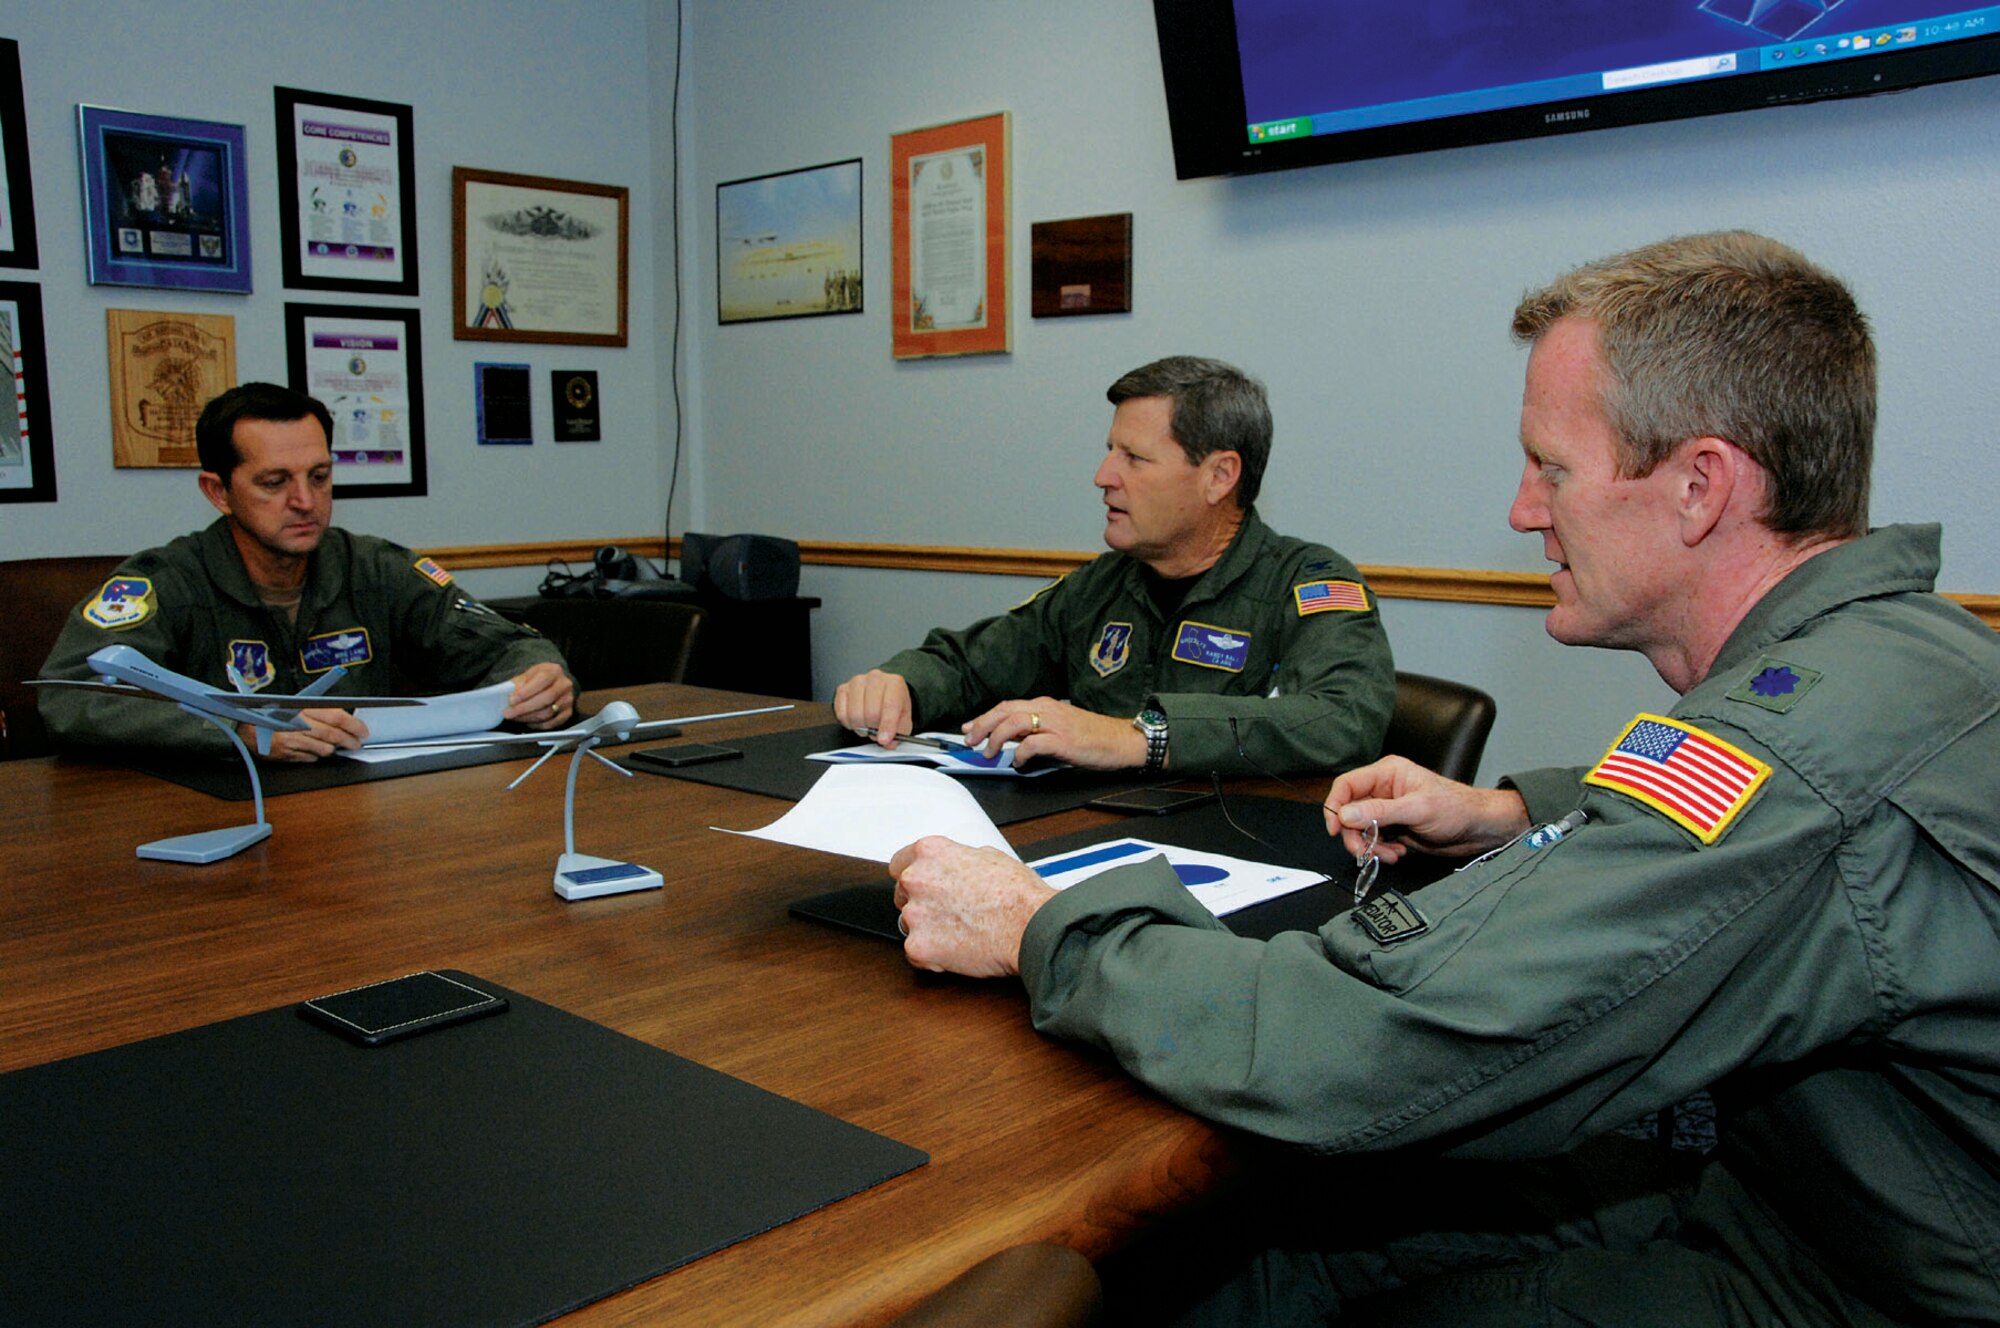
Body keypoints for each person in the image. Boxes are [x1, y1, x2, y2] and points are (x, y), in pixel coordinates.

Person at [885, 234, 2000, 1323]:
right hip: (1808, 1193)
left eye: (1551, 467)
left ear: (1699, 486)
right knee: (1264, 1249)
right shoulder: (1887, 659)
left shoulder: (1801, 751)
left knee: (1273, 1241)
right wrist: (1521, 810)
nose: (1523, 509)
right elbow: (1772, 832)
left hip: (1852, 1273)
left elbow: (1372, 1048)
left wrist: (1043, 926)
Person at [834, 356, 1394, 777]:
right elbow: (976, 664)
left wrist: (1138, 737)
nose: (1103, 475)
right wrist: (899, 685)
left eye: (1134, 458)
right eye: (1109, 451)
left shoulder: (1309, 582)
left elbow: (1345, 718)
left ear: (1219, 476)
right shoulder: (1103, 584)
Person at [40, 382, 574, 762]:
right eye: (274, 482)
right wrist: (237, 730)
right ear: (218, 491)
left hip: (361, 813)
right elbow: (70, 696)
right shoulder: (167, 581)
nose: (304, 501)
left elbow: (507, 646)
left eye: (319, 476)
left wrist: (543, 678)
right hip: (217, 817)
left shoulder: (376, 568)